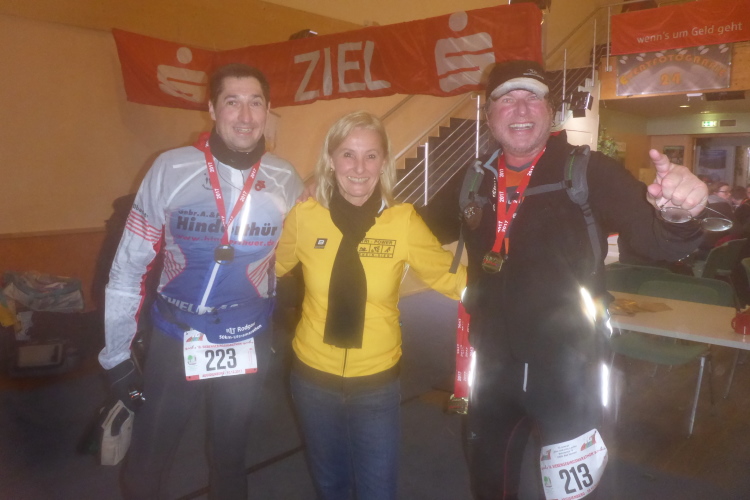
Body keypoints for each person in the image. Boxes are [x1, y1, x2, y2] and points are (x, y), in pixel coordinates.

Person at [421, 60, 707, 500]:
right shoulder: (474, 178)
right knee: (490, 483)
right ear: (489, 114)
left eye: (532, 97)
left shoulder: (589, 172)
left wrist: (679, 214)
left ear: (550, 111)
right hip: (491, 369)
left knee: (573, 495)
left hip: (570, 372)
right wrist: (338, 195)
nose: (521, 108)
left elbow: (659, 241)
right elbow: (416, 227)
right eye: (507, 98)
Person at [99, 63, 303, 499]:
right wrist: (116, 355)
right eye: (232, 102)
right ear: (211, 108)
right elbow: (128, 267)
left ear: (268, 110)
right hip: (178, 335)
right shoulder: (171, 168)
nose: (245, 116)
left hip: (247, 335)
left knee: (230, 457)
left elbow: (305, 249)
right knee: (148, 461)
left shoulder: (286, 178)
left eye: (255, 103)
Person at [275, 111, 467, 500]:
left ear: (384, 162)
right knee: (330, 484)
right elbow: (267, 268)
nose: (359, 167)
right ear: (331, 160)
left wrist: (514, 293)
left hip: (376, 383)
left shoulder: (402, 221)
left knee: (378, 489)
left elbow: (451, 279)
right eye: (348, 154)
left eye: (371, 155)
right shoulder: (305, 216)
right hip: (312, 379)